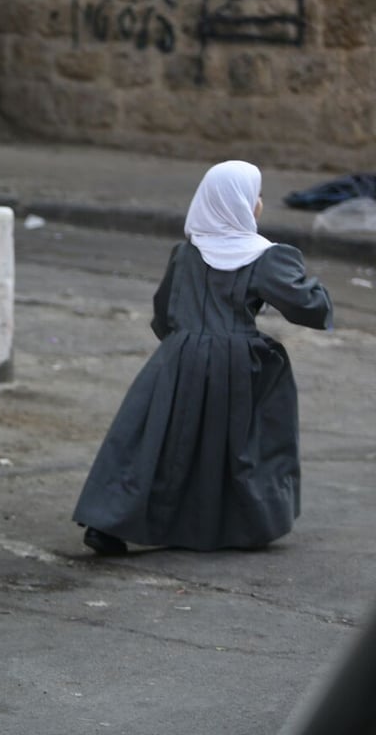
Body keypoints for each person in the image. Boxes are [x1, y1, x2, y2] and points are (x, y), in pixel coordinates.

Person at [72, 160, 333, 555]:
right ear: (239, 203)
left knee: (156, 442)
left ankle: (108, 521)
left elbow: (164, 309)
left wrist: (180, 346)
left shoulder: (186, 252)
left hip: (179, 354)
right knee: (235, 445)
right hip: (237, 359)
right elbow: (308, 308)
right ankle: (237, 524)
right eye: (255, 195)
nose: (259, 202)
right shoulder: (266, 257)